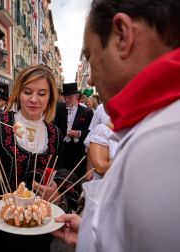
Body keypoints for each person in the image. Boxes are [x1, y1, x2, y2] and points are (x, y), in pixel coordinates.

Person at [53, 0, 180, 251]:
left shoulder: (162, 146)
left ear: (122, 36)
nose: (89, 77)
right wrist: (93, 232)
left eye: (90, 55)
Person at [0, 65, 82, 252]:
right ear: (18, 93)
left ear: (50, 97)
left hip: (36, 230)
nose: (34, 99)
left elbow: (58, 172)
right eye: (28, 92)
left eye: (42, 93)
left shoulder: (55, 134)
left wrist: (57, 191)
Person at [61, 83, 93, 178]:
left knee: (77, 178)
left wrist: (79, 133)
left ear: (76, 96)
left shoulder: (86, 112)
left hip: (79, 152)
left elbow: (91, 133)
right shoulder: (59, 110)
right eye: (65, 97)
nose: (66, 100)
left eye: (69, 97)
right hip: (63, 152)